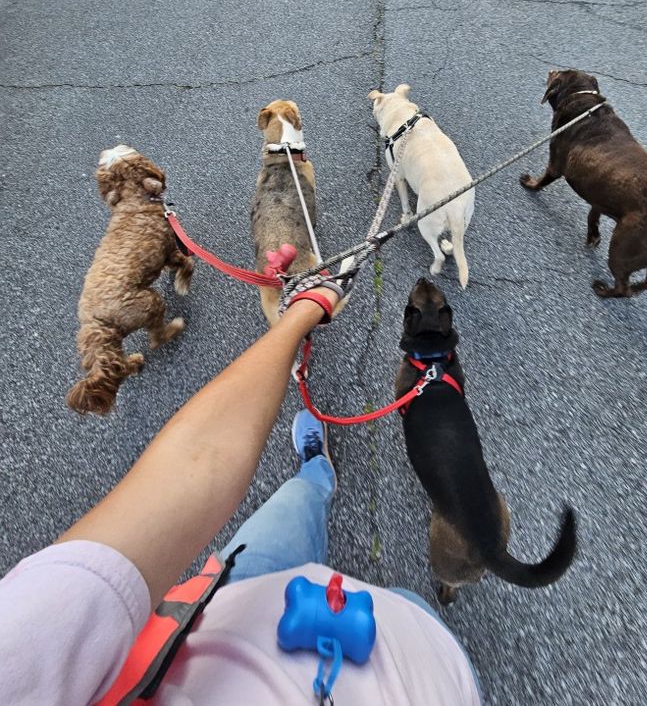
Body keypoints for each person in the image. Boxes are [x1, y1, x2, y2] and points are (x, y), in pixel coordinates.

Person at [0, 278, 482, 705]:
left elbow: (198, 463)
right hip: (424, 665)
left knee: (300, 497)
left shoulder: (19, 648)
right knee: (406, 600)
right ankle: (320, 481)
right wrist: (303, 311)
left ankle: (316, 469)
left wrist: (299, 318)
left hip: (226, 599)